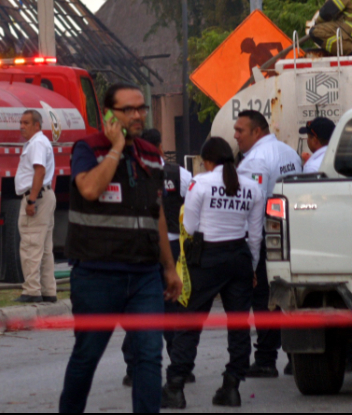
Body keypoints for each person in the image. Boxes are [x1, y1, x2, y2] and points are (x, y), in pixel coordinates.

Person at [59, 83, 182, 414]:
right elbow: (89, 189)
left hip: (144, 276)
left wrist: (169, 268)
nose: (139, 115)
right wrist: (115, 148)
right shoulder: (88, 148)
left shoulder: (151, 155)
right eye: (129, 109)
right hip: (97, 275)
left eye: (141, 108)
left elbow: (156, 215)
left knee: (148, 357)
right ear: (110, 114)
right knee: (87, 356)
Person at [162, 136, 264, 409]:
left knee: (190, 322)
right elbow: (254, 236)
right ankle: (232, 386)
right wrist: (251, 267)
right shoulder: (253, 187)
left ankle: (175, 386)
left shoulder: (201, 183)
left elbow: (191, 226)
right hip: (239, 257)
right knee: (239, 324)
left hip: (207, 259)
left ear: (207, 161)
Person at [234, 108, 302, 378]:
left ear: (257, 131)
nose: (236, 135)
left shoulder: (255, 161)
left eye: (241, 130)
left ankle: (265, 358)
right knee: (290, 296)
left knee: (264, 300)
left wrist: (250, 254)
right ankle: (295, 355)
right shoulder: (288, 153)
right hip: (291, 236)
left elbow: (252, 208)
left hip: (265, 239)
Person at [122, 128, 193, 387]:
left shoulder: (129, 171)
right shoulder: (179, 174)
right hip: (172, 248)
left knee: (138, 307)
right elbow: (193, 204)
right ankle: (180, 366)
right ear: (161, 146)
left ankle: (133, 368)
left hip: (138, 249)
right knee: (174, 307)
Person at [15, 110, 56, 305]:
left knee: (31, 245)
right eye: (21, 122)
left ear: (37, 125)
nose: (22, 126)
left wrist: (31, 201)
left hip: (37, 198)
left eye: (26, 122)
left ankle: (32, 291)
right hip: (44, 196)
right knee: (45, 248)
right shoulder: (39, 142)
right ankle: (49, 291)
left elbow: (39, 170)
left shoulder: (37, 143)